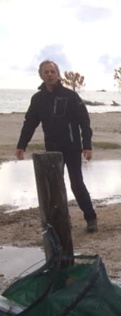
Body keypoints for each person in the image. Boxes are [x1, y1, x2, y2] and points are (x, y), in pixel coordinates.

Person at [16, 60, 98, 232]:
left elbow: (84, 122)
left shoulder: (70, 96)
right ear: (41, 75)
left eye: (52, 71)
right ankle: (61, 221)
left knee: (77, 184)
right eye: (46, 72)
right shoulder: (38, 99)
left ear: (58, 74)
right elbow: (30, 123)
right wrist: (21, 145)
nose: (50, 74)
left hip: (72, 147)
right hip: (52, 150)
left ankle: (90, 218)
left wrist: (87, 146)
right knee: (55, 186)